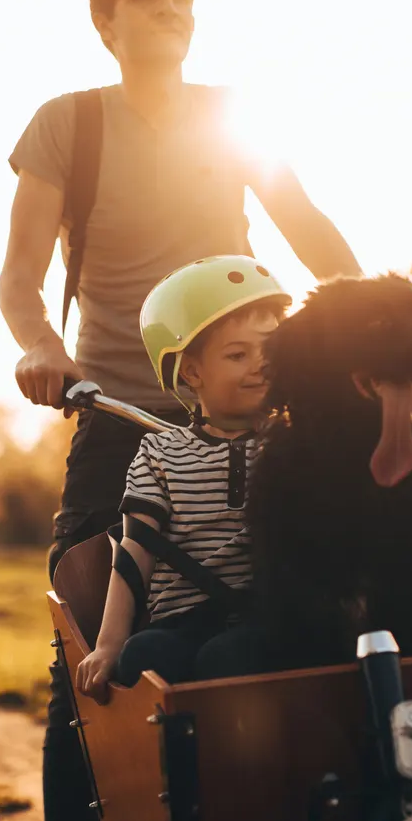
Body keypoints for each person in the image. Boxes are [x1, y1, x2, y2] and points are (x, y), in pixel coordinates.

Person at [0, 0, 362, 819]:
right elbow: (21, 273)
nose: (169, 6)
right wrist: (42, 347)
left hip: (252, 411)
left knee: (303, 604)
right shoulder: (67, 125)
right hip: (117, 410)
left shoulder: (233, 116)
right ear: (105, 23)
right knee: (88, 638)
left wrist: (365, 323)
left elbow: (306, 225)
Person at [75, 256, 286, 699]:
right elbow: (135, 549)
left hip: (272, 613)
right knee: (144, 657)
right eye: (237, 354)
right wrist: (110, 642)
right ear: (191, 371)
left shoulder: (292, 441)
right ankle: (174, 763)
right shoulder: (160, 452)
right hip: (184, 617)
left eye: (271, 350)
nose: (259, 365)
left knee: (229, 658)